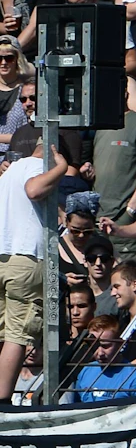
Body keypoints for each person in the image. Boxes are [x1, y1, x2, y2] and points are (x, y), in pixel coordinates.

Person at [0, 125, 68, 402]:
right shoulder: (36, 167)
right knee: (17, 334)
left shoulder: (10, 171)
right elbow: (34, 189)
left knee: (4, 333)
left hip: (3, 256)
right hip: (25, 258)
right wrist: (61, 169)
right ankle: (3, 402)